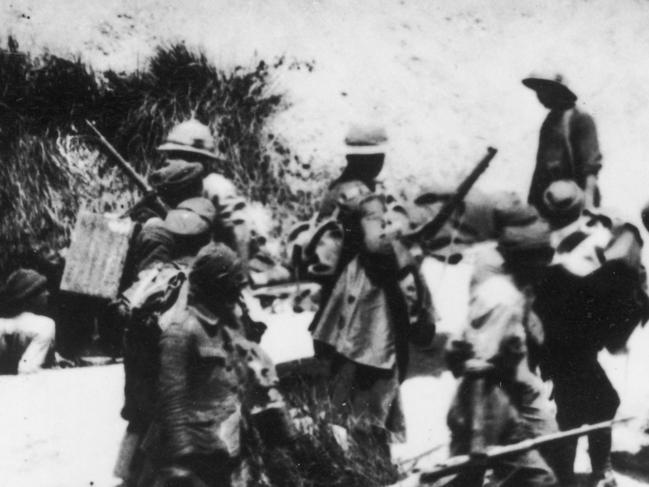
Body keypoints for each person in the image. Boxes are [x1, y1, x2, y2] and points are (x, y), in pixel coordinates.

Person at [138, 242, 291, 487]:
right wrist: (183, 454)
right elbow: (171, 399)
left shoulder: (230, 326)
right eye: (232, 286)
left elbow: (249, 378)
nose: (237, 294)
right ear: (215, 286)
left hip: (224, 444)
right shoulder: (182, 331)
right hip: (189, 452)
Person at [534, 180, 649, 487]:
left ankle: (587, 472)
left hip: (559, 341)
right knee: (590, 406)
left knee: (589, 404)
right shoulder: (583, 249)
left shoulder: (557, 239)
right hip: (567, 344)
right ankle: (581, 474)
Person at [445, 217, 560, 487]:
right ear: (527, 261)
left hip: (496, 409)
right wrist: (477, 437)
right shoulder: (504, 301)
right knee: (539, 480)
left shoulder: (499, 290)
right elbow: (478, 368)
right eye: (543, 260)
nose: (546, 267)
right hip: (485, 411)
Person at [310, 193, 435, 437]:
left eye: (379, 218)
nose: (378, 224)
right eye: (370, 219)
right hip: (352, 350)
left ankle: (374, 461)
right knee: (346, 414)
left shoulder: (397, 257)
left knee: (375, 417)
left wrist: (421, 322)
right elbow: (338, 303)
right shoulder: (356, 264)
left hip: (383, 351)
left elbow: (415, 298)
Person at [523, 74, 603, 210]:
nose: (540, 96)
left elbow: (590, 166)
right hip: (550, 197)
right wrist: (532, 203)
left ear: (557, 91)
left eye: (544, 90)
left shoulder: (580, 119)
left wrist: (588, 204)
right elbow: (541, 167)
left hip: (574, 198)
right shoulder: (550, 121)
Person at [0, 269, 56, 374]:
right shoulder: (45, 325)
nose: (47, 293)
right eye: (42, 291)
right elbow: (27, 369)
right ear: (30, 297)